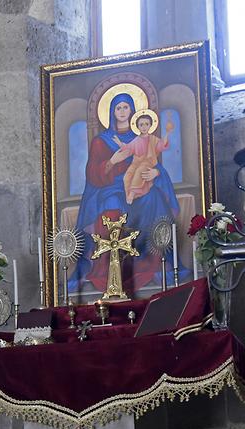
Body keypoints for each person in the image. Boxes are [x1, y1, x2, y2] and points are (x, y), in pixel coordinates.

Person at [68, 93, 180, 295]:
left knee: (154, 198)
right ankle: (108, 270)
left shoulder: (143, 138)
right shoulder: (101, 141)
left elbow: (153, 163)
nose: (122, 112)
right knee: (112, 206)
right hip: (110, 188)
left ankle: (151, 262)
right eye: (118, 108)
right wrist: (112, 161)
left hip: (139, 184)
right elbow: (93, 174)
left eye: (125, 107)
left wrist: (156, 172)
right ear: (112, 112)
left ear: (132, 111)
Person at [113, 111, 174, 203]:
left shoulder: (153, 139)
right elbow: (129, 148)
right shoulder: (136, 140)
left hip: (148, 162)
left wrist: (167, 134)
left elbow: (161, 145)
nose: (144, 127)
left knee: (139, 172)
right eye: (141, 125)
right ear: (138, 127)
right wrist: (120, 144)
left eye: (146, 124)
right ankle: (131, 195)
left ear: (150, 125)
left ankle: (132, 194)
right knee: (127, 176)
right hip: (136, 162)